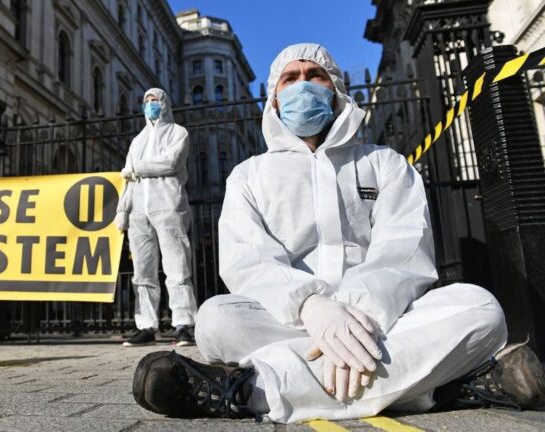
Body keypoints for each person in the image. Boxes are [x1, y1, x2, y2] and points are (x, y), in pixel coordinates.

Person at [131, 43, 545, 422]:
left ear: (337, 91)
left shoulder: (384, 163)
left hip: (383, 320)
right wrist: (312, 307)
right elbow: (248, 259)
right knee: (215, 320)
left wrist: (356, 317)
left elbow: (404, 248)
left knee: (481, 309)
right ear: (274, 98)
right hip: (292, 321)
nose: (303, 84)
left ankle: (247, 390)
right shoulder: (249, 175)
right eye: (290, 78)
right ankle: (437, 388)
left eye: (315, 75)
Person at [115, 88, 198, 347]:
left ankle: (184, 324)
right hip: (139, 210)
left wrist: (136, 168)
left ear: (165, 104)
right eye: (147, 101)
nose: (151, 104)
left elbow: (170, 163)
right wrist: (122, 210)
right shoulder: (137, 141)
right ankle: (146, 326)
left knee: (177, 266)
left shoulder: (178, 133)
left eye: (156, 100)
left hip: (168, 205)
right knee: (142, 271)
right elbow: (128, 181)